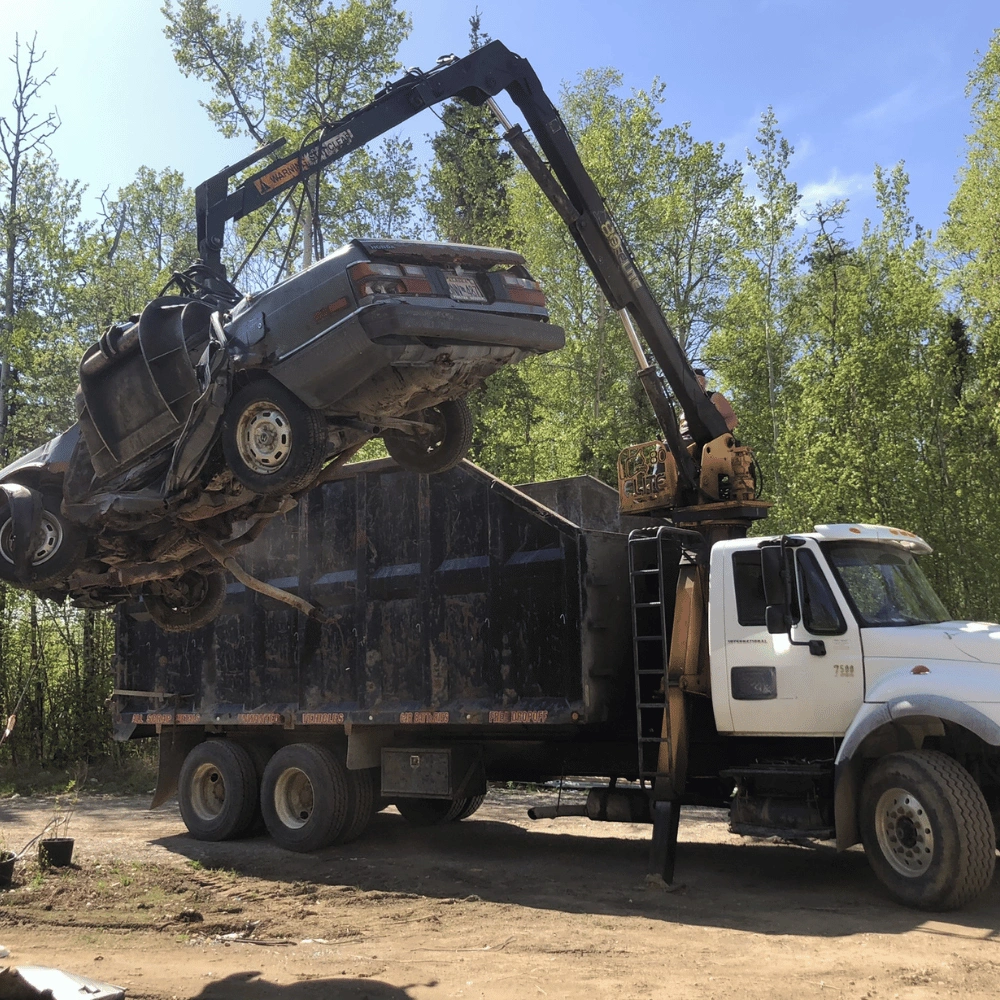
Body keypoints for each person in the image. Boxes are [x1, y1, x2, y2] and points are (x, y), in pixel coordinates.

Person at [678, 369, 738, 444]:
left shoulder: (714, 397)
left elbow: (732, 419)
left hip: (711, 443)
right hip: (686, 441)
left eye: (700, 379)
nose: (700, 383)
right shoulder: (685, 408)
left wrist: (713, 435)